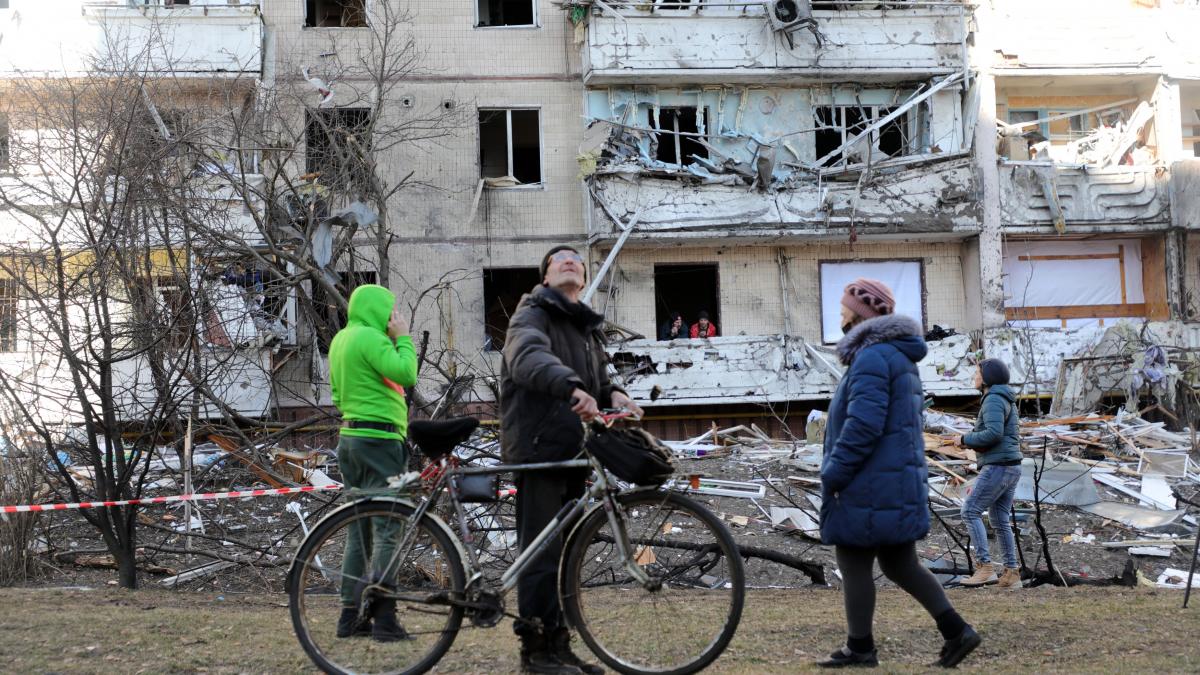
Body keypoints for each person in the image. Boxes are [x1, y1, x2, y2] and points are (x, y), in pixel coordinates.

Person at [818, 278, 980, 669]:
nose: (839, 316)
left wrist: (835, 471)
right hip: (892, 478)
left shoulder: (873, 358)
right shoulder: (895, 357)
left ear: (862, 315)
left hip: (869, 481)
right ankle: (958, 632)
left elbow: (864, 425)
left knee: (854, 558)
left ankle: (860, 647)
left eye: (844, 310)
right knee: (898, 563)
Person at [501, 245, 644, 674]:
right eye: (559, 259)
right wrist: (570, 386)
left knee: (564, 555)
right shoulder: (531, 313)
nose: (570, 261)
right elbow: (526, 357)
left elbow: (599, 374)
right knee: (540, 553)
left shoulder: (582, 326)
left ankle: (560, 646)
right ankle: (536, 653)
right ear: (545, 278)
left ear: (583, 278)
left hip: (574, 451)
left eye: (577, 259)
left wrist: (615, 392)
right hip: (540, 449)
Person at [327, 283, 418, 642]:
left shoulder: (341, 340)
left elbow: (336, 393)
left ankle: (349, 616)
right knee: (389, 525)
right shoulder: (371, 338)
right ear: (379, 309)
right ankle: (385, 616)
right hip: (380, 440)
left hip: (349, 439)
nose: (394, 317)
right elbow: (406, 373)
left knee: (359, 529)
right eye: (391, 310)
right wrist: (404, 338)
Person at [952, 358, 1023, 589]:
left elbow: (993, 433)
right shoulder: (1005, 398)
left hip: (999, 466)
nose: (974, 376)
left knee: (970, 510)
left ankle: (985, 568)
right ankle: (1011, 573)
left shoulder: (993, 398)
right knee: (999, 519)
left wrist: (964, 439)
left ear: (987, 377)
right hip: (1011, 466)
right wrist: (970, 440)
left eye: (977, 372)